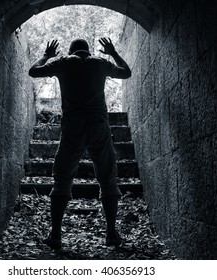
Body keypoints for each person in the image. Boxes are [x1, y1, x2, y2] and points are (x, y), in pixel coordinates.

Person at [29, 38, 131, 249]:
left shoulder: (64, 62)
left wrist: (47, 55)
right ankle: (111, 233)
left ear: (70, 50)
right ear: (88, 50)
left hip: (73, 126)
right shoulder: (101, 63)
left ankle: (56, 234)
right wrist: (112, 52)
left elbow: (33, 71)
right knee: (107, 176)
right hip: (98, 126)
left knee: (62, 178)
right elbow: (126, 72)